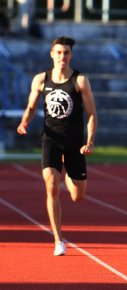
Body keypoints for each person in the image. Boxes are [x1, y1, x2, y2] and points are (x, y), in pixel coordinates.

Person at [17, 36, 97, 255]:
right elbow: (31, 107)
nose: (63, 56)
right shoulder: (41, 80)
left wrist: (89, 142)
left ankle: (70, 174)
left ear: (71, 55)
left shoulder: (80, 81)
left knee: (77, 197)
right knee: (52, 185)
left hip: (74, 143)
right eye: (59, 52)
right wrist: (25, 122)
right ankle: (58, 241)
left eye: (66, 53)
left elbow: (91, 114)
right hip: (51, 139)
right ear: (52, 54)